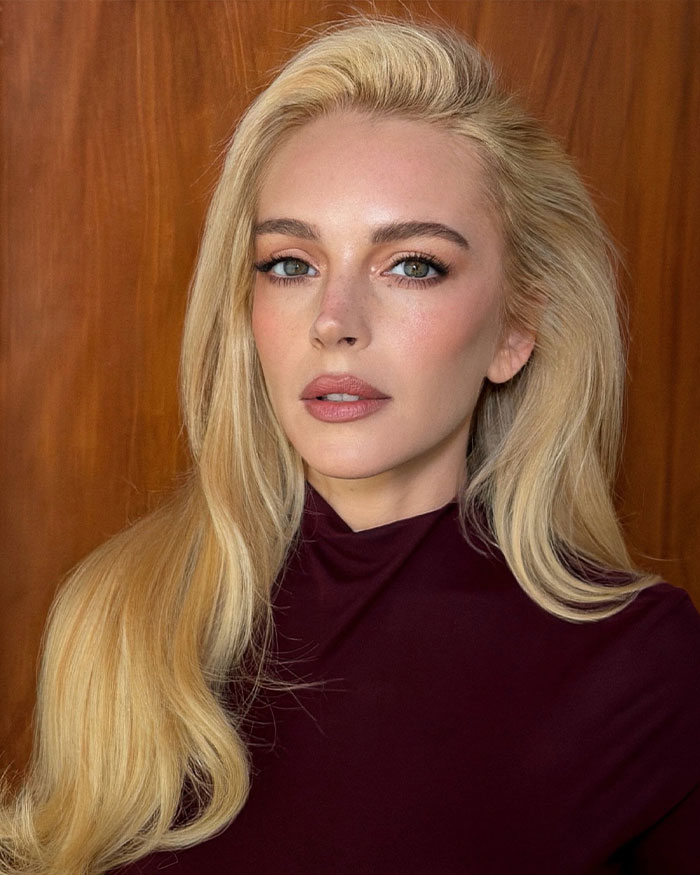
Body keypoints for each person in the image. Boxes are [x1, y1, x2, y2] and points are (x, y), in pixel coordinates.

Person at [2, 16, 699, 875]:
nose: (335, 322)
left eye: (412, 264)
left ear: (518, 327)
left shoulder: (636, 662)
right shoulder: (118, 620)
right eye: (290, 264)